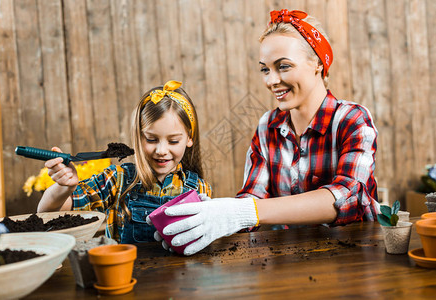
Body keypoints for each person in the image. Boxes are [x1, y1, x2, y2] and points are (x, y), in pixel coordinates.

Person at [153, 9, 379, 256]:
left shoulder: (352, 120)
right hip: (291, 261)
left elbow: (347, 197)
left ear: (317, 63)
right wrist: (210, 217)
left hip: (354, 257)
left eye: (283, 66)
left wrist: (243, 212)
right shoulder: (267, 126)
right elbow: (253, 197)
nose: (271, 81)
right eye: (265, 69)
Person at [37, 80, 212, 243]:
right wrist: (64, 187)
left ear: (189, 138)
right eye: (151, 139)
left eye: (173, 141)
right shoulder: (117, 180)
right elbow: (47, 214)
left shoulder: (199, 188)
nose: (161, 151)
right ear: (138, 136)